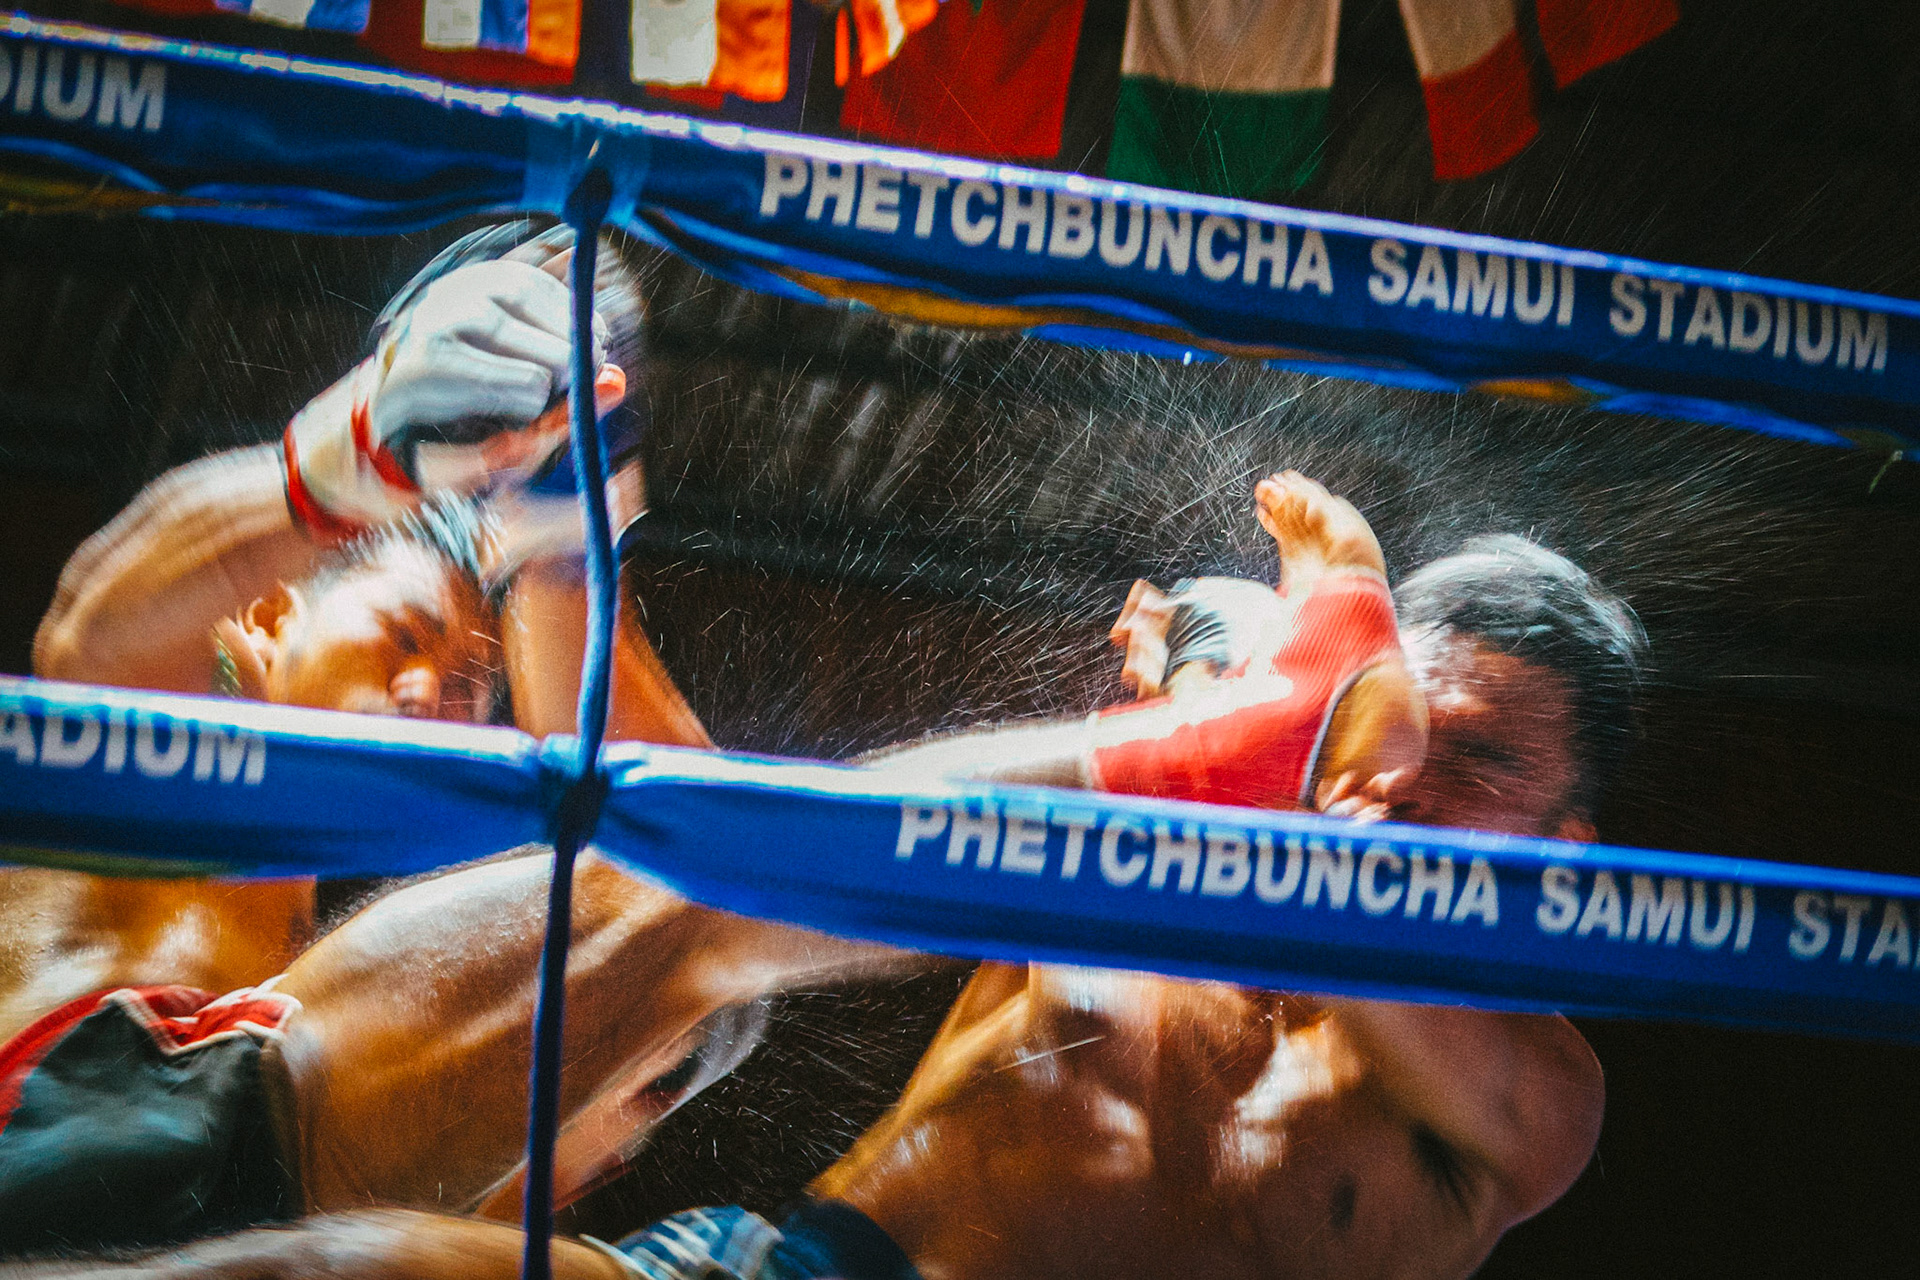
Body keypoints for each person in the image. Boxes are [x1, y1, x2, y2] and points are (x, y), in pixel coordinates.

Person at [0, 459, 1639, 1278]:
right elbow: (723, 847)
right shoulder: (1194, 850)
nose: (1420, 786)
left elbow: (1354, 907)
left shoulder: (1528, 1096)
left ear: (1568, 842)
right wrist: (565, 563)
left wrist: (1287, 733)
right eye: (1412, 731)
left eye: (1478, 763)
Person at [0, 223, 909, 1255]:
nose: (433, 690)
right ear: (263, 619)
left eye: (478, 687)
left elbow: (692, 870)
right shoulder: (140, 823)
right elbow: (99, 627)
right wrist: (361, 442)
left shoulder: (352, 979)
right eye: (399, 635)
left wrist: (562, 543)